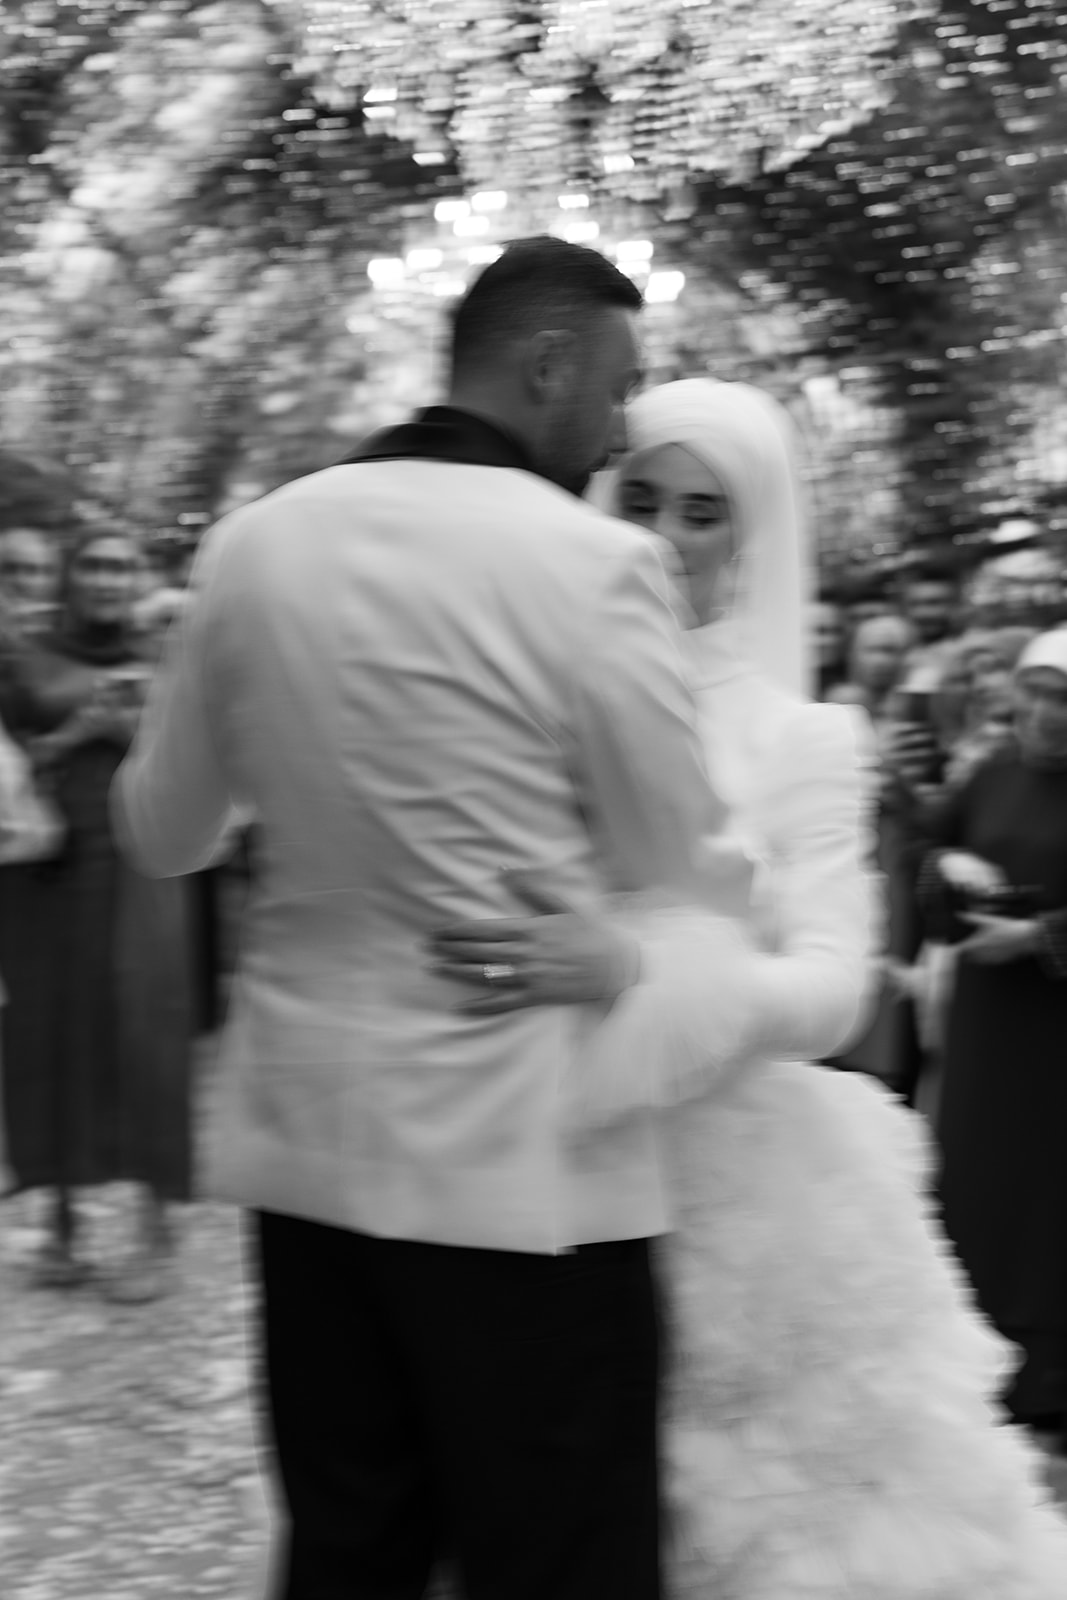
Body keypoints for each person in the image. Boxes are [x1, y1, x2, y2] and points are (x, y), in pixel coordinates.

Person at [111, 238, 765, 1600]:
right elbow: (678, 856)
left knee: (351, 1550)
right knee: (558, 1560)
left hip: (307, 1153)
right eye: (616, 388)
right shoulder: (595, 564)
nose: (618, 431)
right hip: (520, 1166)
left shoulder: (253, 543)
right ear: (548, 365)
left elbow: (161, 831)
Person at [434, 379, 1067, 1595]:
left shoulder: (801, 737)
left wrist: (645, 977)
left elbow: (835, 988)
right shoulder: (517, 703)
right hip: (518, 1156)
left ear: (749, 537)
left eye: (701, 511)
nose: (661, 536)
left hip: (731, 1197)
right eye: (640, 500)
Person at [0, 530, 194, 1300]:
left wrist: (134, 732)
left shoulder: (171, 657)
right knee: (46, 1031)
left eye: (122, 566)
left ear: (139, 576)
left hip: (142, 866)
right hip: (46, 868)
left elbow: (207, 763)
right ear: (70, 575)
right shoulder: (26, 658)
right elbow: (10, 760)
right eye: (94, 564)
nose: (108, 579)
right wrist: (79, 733)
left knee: (145, 1032)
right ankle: (60, 1227)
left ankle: (157, 1228)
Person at [923, 627, 1067, 1441]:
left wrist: (1040, 936)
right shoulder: (988, 774)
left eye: (1062, 700)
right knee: (981, 1183)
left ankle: (1047, 1380)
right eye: (1034, 694)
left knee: (1047, 1199)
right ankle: (978, 1364)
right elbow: (927, 847)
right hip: (986, 1028)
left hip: (1052, 1038)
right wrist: (948, 871)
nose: (1045, 714)